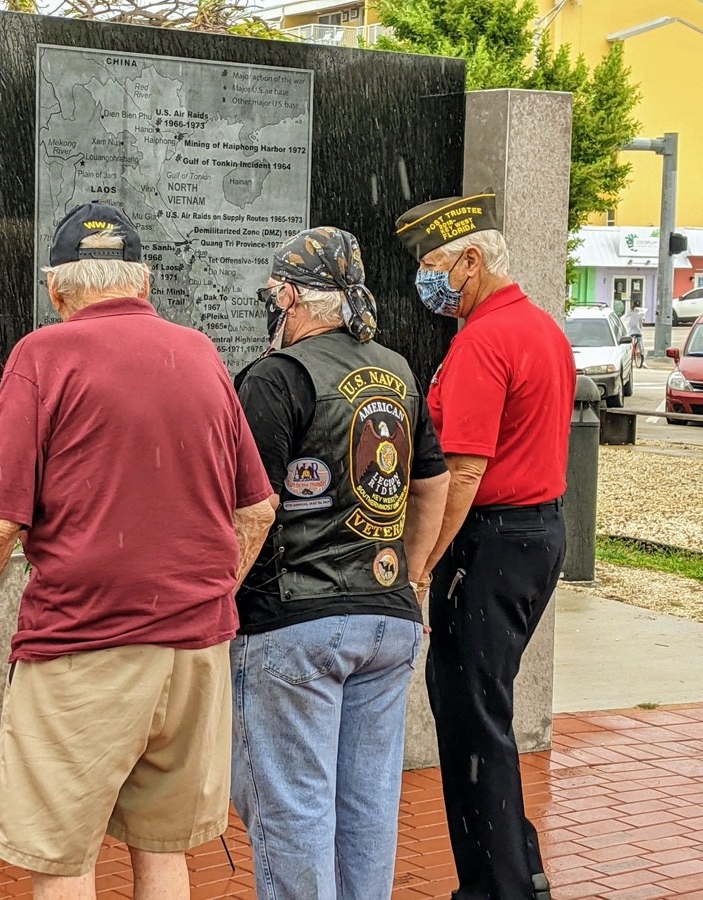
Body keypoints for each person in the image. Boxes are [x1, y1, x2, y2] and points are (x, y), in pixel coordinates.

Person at [0, 201, 276, 900]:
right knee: (163, 847)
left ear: (56, 290)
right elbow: (258, 507)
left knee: (63, 854)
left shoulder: (42, 355)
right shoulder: (200, 352)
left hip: (84, 647)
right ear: (142, 283)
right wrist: (207, 591)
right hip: (196, 650)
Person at [231, 226, 450, 900]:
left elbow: (253, 508)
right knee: (367, 808)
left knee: (293, 808)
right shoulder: (399, 370)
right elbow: (432, 484)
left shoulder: (276, 377)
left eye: (273, 293)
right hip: (387, 621)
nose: (271, 305)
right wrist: (410, 579)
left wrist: (213, 600)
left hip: (293, 620)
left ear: (292, 295)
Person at [394, 191, 576, 900]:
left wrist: (422, 564)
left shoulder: (484, 340)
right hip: (534, 536)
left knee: (472, 727)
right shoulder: (538, 328)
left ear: (471, 260)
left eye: (433, 264)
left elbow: (464, 468)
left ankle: (497, 889)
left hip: (491, 542)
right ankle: (518, 867)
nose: (427, 279)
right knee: (486, 713)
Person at [623, 300, 644, 365]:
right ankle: (642, 358)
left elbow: (624, 318)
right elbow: (641, 322)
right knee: (640, 343)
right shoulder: (640, 312)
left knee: (628, 343)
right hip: (636, 331)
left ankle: (631, 355)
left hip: (631, 331)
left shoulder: (630, 311)